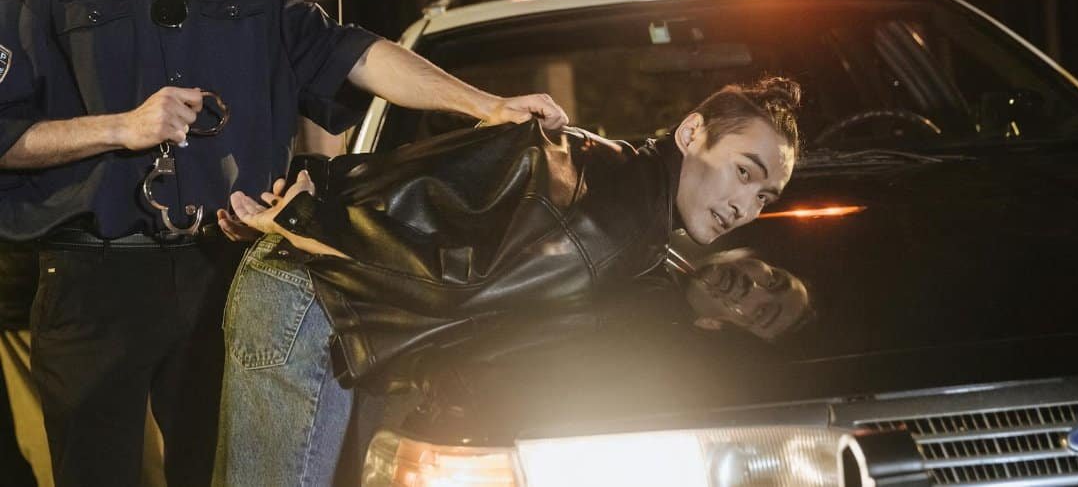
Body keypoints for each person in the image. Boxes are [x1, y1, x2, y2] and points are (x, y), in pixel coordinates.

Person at [0, 0, 566, 485]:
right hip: (95, 281)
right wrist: (121, 127)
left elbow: (356, 54)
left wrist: (490, 105)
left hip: (224, 276)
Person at [214, 77, 811, 485]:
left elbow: (437, 183)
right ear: (690, 134)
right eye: (742, 172)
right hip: (309, 298)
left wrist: (318, 193)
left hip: (329, 286)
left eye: (764, 195)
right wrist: (299, 221)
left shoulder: (626, 186)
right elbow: (452, 288)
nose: (746, 206)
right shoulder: (614, 225)